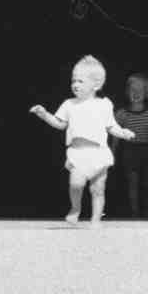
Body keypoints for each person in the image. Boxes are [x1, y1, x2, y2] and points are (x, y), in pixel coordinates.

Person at [29, 55, 135, 222]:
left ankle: (95, 220)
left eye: (80, 81)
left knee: (98, 189)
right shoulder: (69, 104)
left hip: (99, 153)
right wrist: (44, 114)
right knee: (76, 184)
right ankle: (75, 207)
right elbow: (59, 124)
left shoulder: (104, 105)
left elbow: (111, 126)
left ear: (96, 85)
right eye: (73, 81)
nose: (75, 85)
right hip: (78, 153)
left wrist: (123, 132)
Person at [112, 71, 148, 218]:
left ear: (146, 92)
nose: (136, 93)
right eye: (132, 90)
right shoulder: (122, 114)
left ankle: (147, 213)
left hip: (147, 150)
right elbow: (116, 135)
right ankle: (134, 213)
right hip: (130, 151)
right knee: (132, 183)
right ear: (127, 92)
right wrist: (112, 153)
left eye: (140, 90)